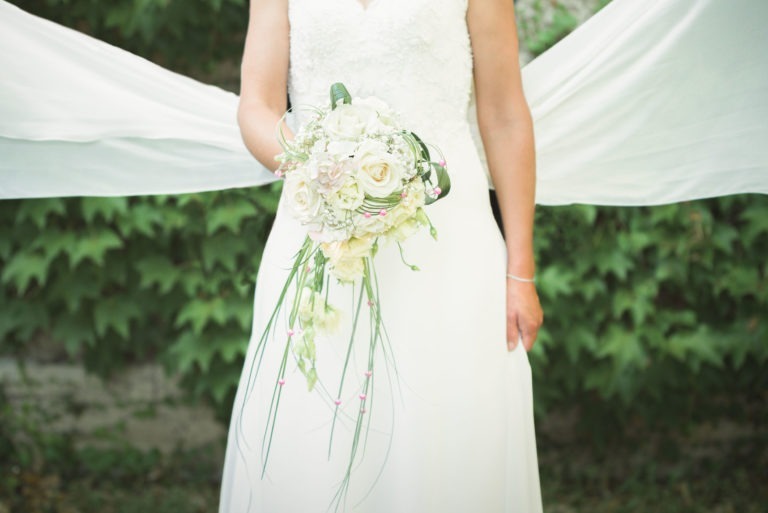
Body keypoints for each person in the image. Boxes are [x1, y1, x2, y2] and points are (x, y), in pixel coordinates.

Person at [219, 0, 544, 511]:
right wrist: (319, 165)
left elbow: (504, 117)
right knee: (316, 421)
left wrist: (520, 272)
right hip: (319, 229)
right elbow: (256, 106)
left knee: (444, 416)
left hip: (450, 241)